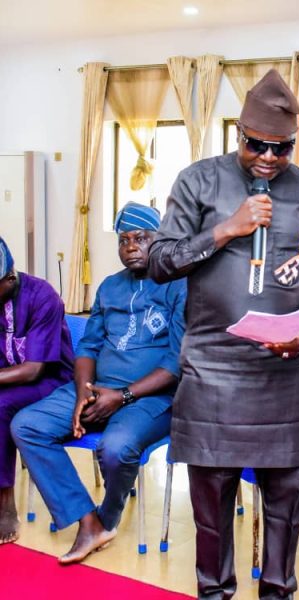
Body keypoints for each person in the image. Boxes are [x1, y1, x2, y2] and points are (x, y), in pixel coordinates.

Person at [148, 69, 299, 599]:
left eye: (281, 148)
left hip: (283, 377)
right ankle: (214, 592)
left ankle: (278, 592)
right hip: (212, 373)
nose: (268, 158)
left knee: (286, 507)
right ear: (239, 133)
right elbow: (160, 262)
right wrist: (226, 229)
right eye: (257, 144)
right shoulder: (198, 182)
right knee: (211, 515)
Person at [11, 202, 186, 564]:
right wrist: (83, 395)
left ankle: (108, 516)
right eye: (123, 240)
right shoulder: (109, 287)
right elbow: (88, 347)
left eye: (141, 238)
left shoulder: (179, 287)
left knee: (116, 448)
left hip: (153, 397)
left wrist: (121, 396)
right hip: (99, 388)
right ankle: (86, 520)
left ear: (161, 240)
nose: (131, 247)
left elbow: (177, 362)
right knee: (26, 425)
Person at [0, 237, 74, 544]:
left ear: (9, 278)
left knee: (0, 405)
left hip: (53, 382)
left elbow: (33, 369)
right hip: (6, 380)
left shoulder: (42, 296)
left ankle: (4, 503)